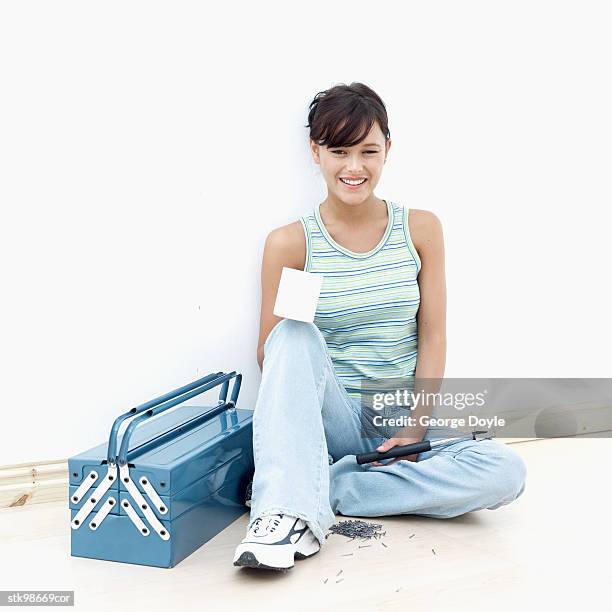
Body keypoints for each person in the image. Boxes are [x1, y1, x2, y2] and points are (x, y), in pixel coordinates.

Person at [233, 82, 526, 571]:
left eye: (368, 151)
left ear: (388, 149)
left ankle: (324, 487)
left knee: (504, 470)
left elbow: (433, 336)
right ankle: (283, 509)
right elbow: (275, 354)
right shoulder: (292, 244)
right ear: (315, 152)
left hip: (400, 412)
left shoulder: (421, 229)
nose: (354, 167)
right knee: (293, 333)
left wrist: (414, 430)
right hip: (335, 418)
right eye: (339, 151)